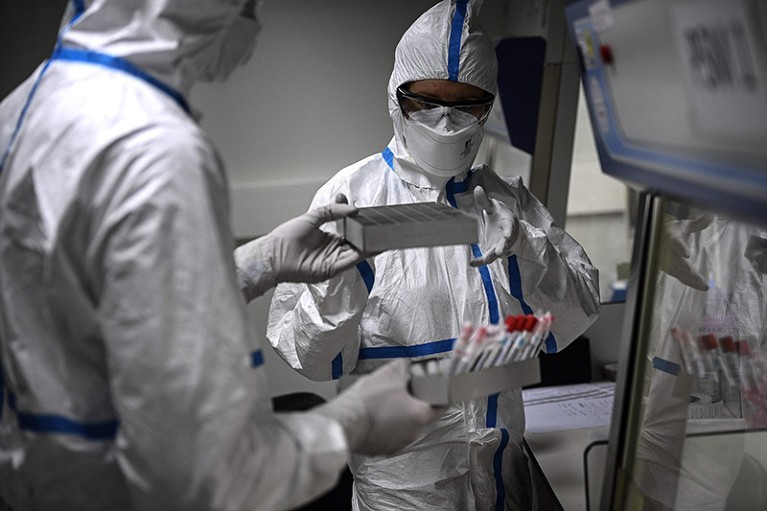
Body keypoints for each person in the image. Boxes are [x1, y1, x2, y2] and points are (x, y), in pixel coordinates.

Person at [0, 1, 440, 509]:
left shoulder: (25, 107)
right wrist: (352, 422)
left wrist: (261, 261)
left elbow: (78, 310)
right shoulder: (154, 150)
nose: (252, 20)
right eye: (248, 5)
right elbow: (213, 477)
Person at [266, 0, 601, 509]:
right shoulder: (350, 198)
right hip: (402, 482)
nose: (446, 122)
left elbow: (574, 317)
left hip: (502, 462)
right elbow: (308, 358)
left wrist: (527, 252)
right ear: (397, 97)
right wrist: (336, 288)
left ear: (488, 105)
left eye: (464, 103)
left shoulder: (509, 201)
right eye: (426, 101)